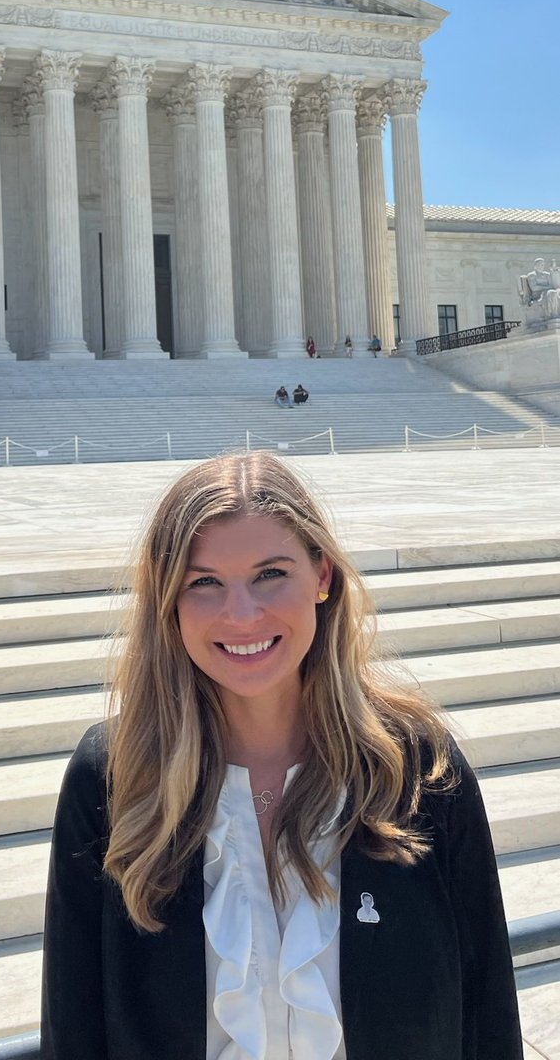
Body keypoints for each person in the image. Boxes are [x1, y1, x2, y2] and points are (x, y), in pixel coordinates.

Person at [41, 452, 522, 1060]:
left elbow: (488, 1014)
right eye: (203, 582)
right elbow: (72, 1029)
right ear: (168, 601)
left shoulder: (420, 771)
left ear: (323, 576)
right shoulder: (112, 779)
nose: (241, 614)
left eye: (270, 573)